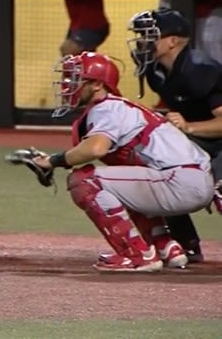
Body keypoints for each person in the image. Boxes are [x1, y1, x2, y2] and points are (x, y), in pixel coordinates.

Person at [31, 51, 214, 272]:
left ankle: (137, 255)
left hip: (180, 181)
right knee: (121, 184)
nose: (68, 85)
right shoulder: (118, 107)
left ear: (97, 84)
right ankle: (164, 246)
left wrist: (54, 161)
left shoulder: (107, 108)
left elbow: (95, 148)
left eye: (77, 78)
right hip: (190, 179)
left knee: (85, 181)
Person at [128, 8, 222, 262]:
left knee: (220, 186)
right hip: (204, 139)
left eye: (149, 36)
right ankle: (186, 243)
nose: (142, 42)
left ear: (171, 41)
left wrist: (189, 127)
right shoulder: (157, 71)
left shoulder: (200, 70)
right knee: (161, 167)